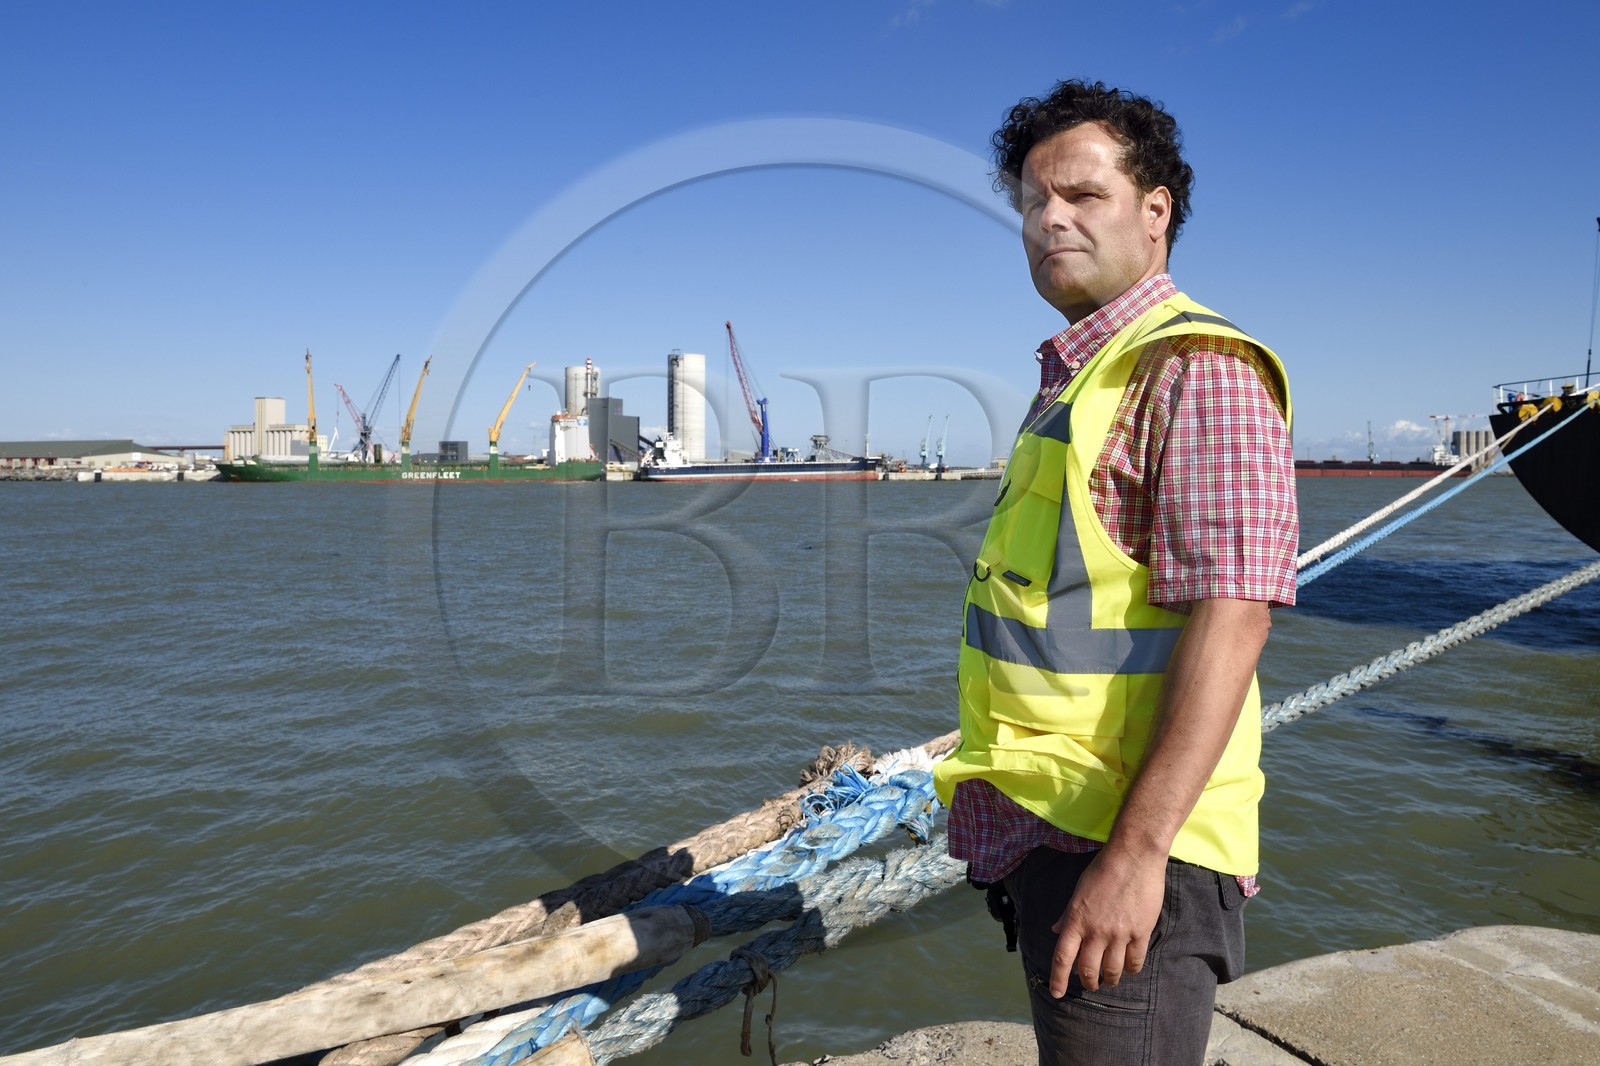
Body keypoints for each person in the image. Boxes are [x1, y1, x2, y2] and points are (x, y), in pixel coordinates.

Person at [931, 79, 1299, 1065]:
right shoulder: (1086, 376)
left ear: (1154, 212)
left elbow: (1234, 618)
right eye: (1031, 202)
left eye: (1082, 196)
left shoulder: (1195, 368)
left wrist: (1136, 856)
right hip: (1064, 827)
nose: (1049, 219)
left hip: (1138, 852)